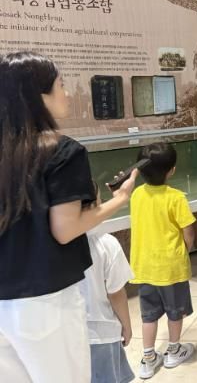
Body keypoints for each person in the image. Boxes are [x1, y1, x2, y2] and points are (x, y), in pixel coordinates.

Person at [0, 52, 137, 383]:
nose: (67, 93)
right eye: (60, 85)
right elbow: (65, 229)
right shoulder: (62, 150)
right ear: (39, 95)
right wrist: (120, 199)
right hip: (46, 300)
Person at [129, 143, 196, 379]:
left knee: (148, 315)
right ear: (172, 170)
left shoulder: (136, 194)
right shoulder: (176, 198)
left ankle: (148, 359)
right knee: (175, 311)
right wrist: (186, 250)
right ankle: (174, 351)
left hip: (144, 266)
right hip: (171, 268)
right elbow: (189, 232)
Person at [81, 184, 135, 383]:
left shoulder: (53, 245)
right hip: (102, 332)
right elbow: (116, 293)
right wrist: (127, 325)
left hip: (67, 334)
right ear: (95, 205)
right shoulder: (106, 243)